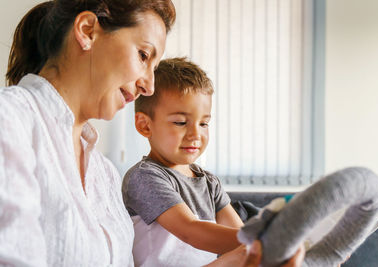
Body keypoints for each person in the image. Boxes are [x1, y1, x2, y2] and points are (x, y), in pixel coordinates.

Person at [0, 0, 303, 266]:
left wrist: (248, 257)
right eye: (144, 56)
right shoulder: (11, 119)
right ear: (88, 30)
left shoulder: (103, 175)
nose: (149, 85)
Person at [122, 57, 305, 267]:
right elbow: (190, 230)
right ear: (145, 126)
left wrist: (287, 247)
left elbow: (240, 236)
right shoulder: (144, 177)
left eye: (204, 123)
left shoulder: (209, 183)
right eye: (181, 122)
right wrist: (265, 244)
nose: (195, 134)